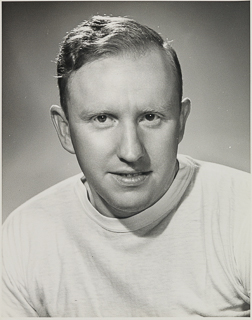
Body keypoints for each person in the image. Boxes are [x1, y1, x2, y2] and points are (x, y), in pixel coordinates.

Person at [2, 15, 250, 317]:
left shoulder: (242, 210)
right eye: (103, 119)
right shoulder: (25, 235)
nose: (132, 151)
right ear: (65, 130)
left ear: (181, 122)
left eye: (150, 117)